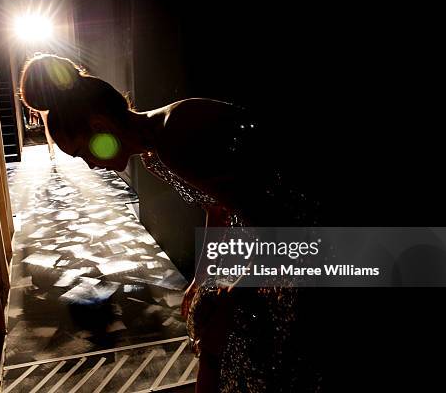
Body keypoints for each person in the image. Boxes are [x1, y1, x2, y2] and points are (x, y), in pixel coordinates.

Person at [19, 53, 322, 392]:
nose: (90, 166)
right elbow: (218, 210)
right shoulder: (155, 153)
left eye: (82, 153)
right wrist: (202, 278)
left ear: (100, 127)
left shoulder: (174, 135)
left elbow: (277, 225)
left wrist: (235, 293)